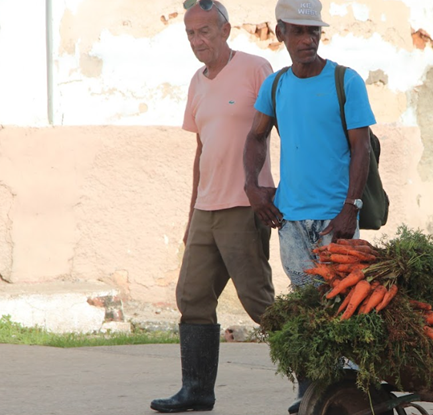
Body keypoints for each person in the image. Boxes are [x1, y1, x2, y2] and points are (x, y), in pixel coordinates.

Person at [242, 0, 376, 411]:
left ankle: (349, 395)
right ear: (280, 32)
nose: (307, 40)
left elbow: (362, 147)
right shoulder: (276, 84)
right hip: (289, 218)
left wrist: (351, 207)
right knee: (307, 312)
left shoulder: (345, 80)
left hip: (335, 219)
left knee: (341, 306)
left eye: (313, 31)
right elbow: (256, 137)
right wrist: (253, 187)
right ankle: (312, 395)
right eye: (298, 31)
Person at [150, 1, 275, 412]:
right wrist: (190, 214)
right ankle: (197, 390)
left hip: (245, 202)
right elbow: (201, 150)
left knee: (259, 301)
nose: (197, 41)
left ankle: (313, 381)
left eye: (204, 31)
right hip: (206, 208)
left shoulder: (257, 69)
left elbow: (283, 130)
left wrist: (273, 192)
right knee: (192, 295)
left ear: (225, 30)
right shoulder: (196, 83)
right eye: (190, 34)